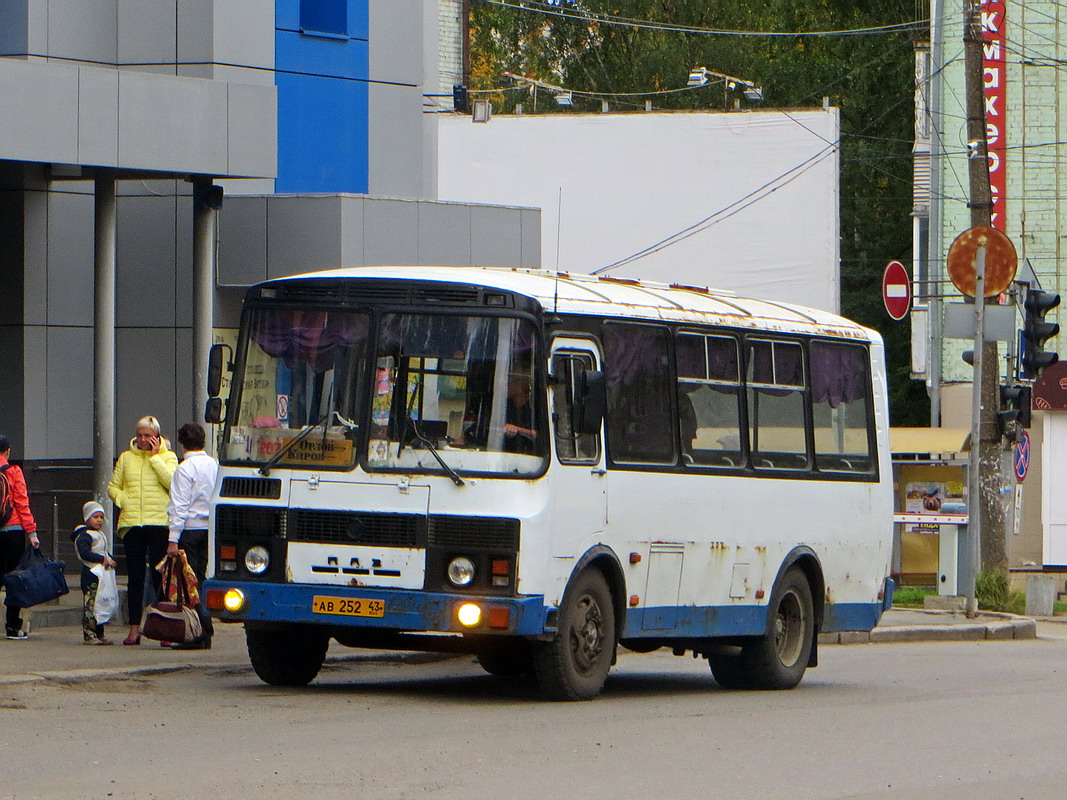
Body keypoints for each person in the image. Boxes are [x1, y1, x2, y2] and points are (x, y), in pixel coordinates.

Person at [107, 415, 178, 646]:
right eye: (140, 435)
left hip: (158, 522)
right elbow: (113, 486)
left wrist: (156, 457)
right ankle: (134, 628)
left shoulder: (169, 457)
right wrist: (122, 499)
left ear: (157, 437)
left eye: (148, 435)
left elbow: (172, 484)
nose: (143, 439)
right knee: (135, 577)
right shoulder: (127, 458)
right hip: (132, 523)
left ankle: (163, 628)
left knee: (160, 577)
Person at [166, 422, 219, 650]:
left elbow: (179, 505)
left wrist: (173, 538)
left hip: (190, 529)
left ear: (181, 443)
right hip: (211, 528)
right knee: (204, 577)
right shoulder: (215, 465)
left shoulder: (184, 468)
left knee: (190, 583)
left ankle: (200, 630)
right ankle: (206, 627)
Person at [0, 434, 40, 640]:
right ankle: (12, 627)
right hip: (13, 530)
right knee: (14, 579)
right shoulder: (14, 471)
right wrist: (31, 532)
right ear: (7, 451)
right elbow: (22, 503)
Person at [71, 501, 117, 645]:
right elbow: (85, 553)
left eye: (101, 517)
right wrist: (102, 559)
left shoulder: (99, 534)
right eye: (95, 517)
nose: (99, 520)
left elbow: (103, 551)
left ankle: (99, 632)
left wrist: (109, 559)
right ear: (87, 518)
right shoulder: (85, 535)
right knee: (91, 604)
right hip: (91, 572)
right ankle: (89, 634)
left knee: (100, 603)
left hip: (101, 574)